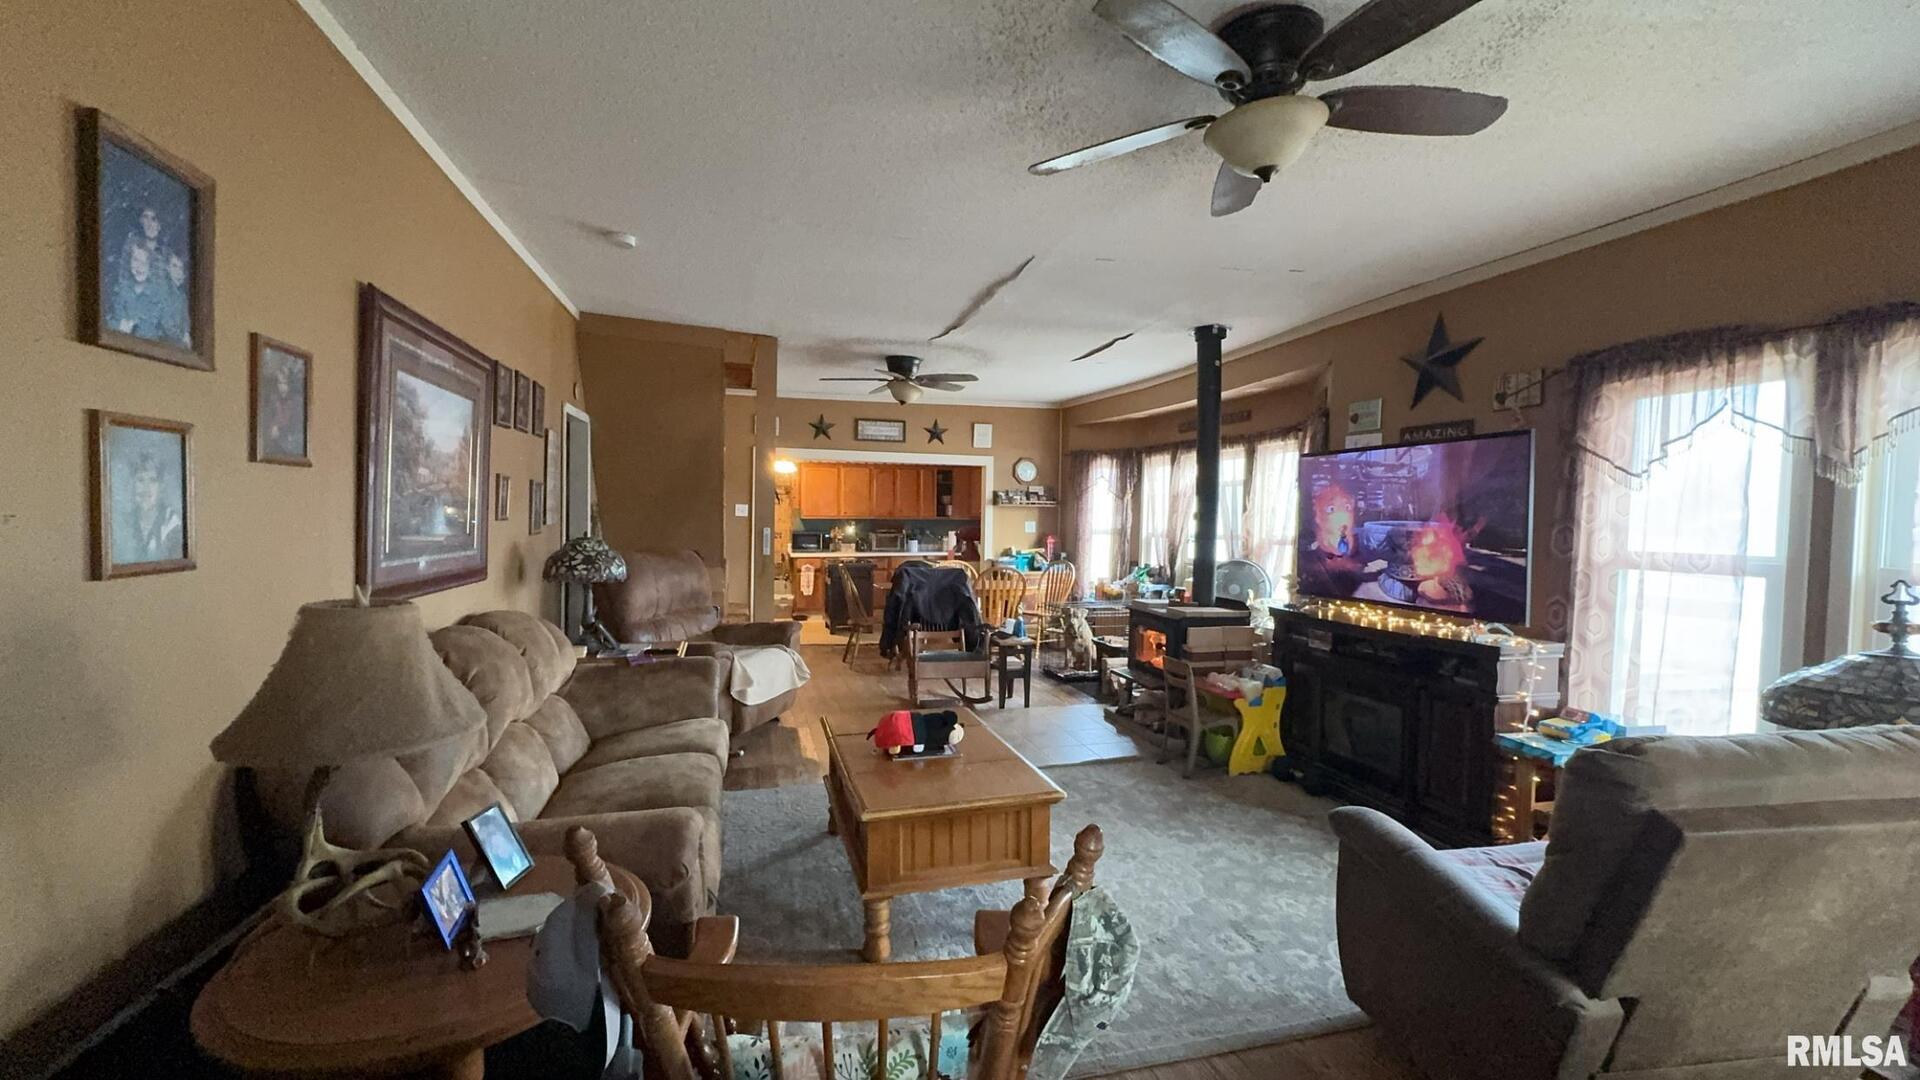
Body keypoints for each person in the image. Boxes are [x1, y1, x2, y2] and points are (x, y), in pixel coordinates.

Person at [118, 450, 183, 563]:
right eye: (140, 480)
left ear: (161, 487)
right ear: (132, 484)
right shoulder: (123, 522)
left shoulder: (172, 523)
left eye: (153, 480)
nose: (146, 488)